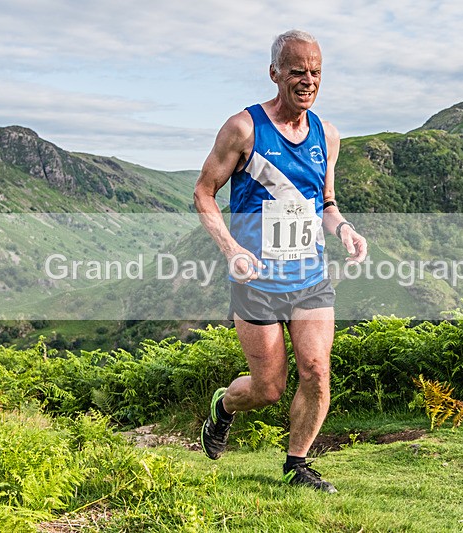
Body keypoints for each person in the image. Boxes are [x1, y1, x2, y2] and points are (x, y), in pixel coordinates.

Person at [193, 29, 367, 493]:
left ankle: (298, 464)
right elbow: (203, 193)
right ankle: (224, 407)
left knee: (316, 370)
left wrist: (344, 229)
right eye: (297, 71)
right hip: (257, 281)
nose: (307, 80)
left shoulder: (327, 135)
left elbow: (325, 203)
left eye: (316, 72)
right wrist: (231, 249)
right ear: (274, 74)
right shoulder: (244, 128)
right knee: (268, 388)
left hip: (310, 277)